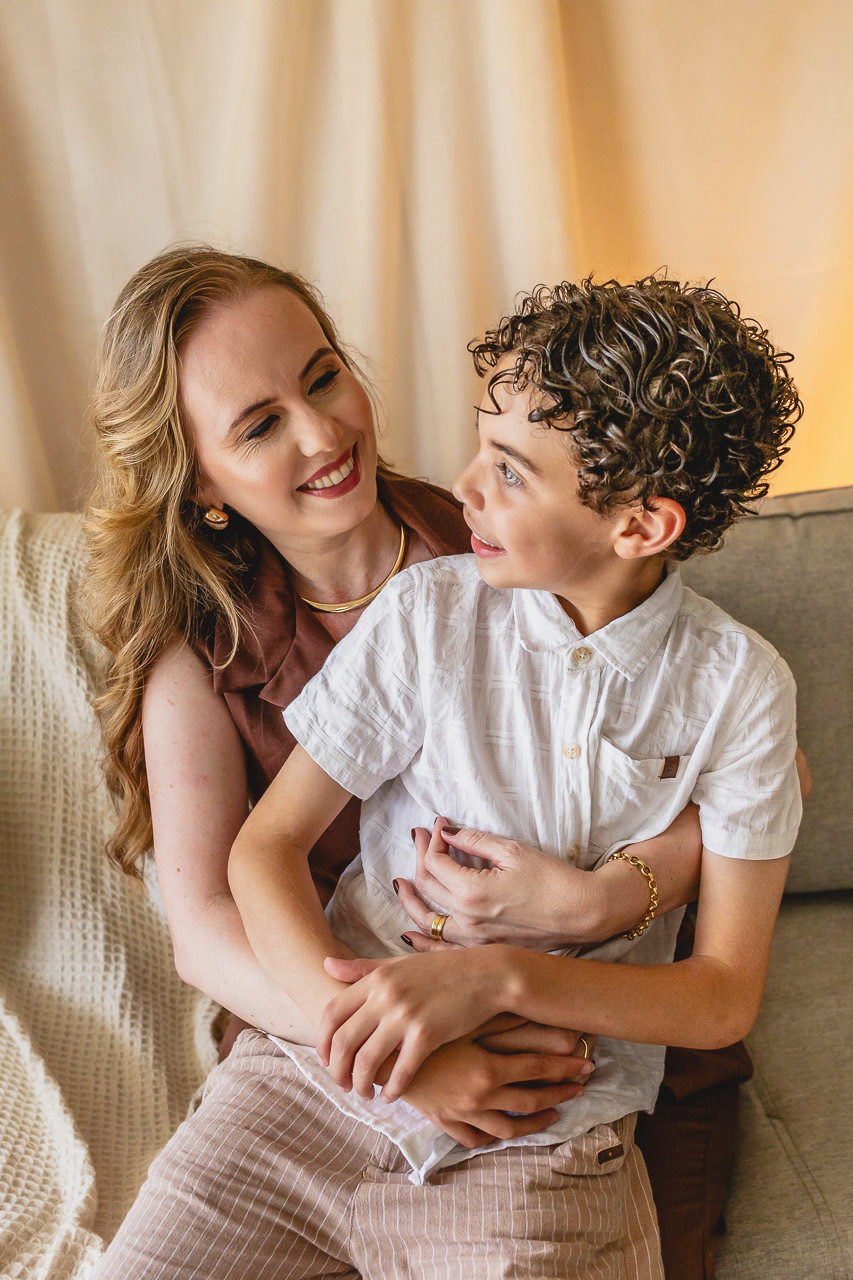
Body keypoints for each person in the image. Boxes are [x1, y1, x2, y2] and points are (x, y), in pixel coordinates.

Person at [93, 268, 802, 1278]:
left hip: (541, 1110)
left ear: (641, 524)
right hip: (319, 1070)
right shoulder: (409, 612)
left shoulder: (710, 670)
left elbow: (734, 936)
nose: (324, 435)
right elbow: (236, 884)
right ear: (200, 479)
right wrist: (395, 1055)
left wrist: (575, 917)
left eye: (324, 377)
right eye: (258, 424)